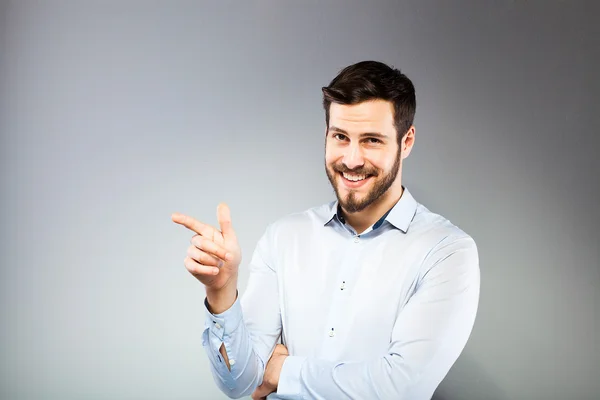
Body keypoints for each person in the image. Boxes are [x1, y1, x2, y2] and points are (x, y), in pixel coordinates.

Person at [172, 60, 480, 400]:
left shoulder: (447, 252)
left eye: (371, 140)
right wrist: (222, 292)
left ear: (406, 142)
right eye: (340, 137)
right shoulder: (283, 237)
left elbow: (401, 388)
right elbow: (239, 383)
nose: (351, 159)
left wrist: (283, 371)